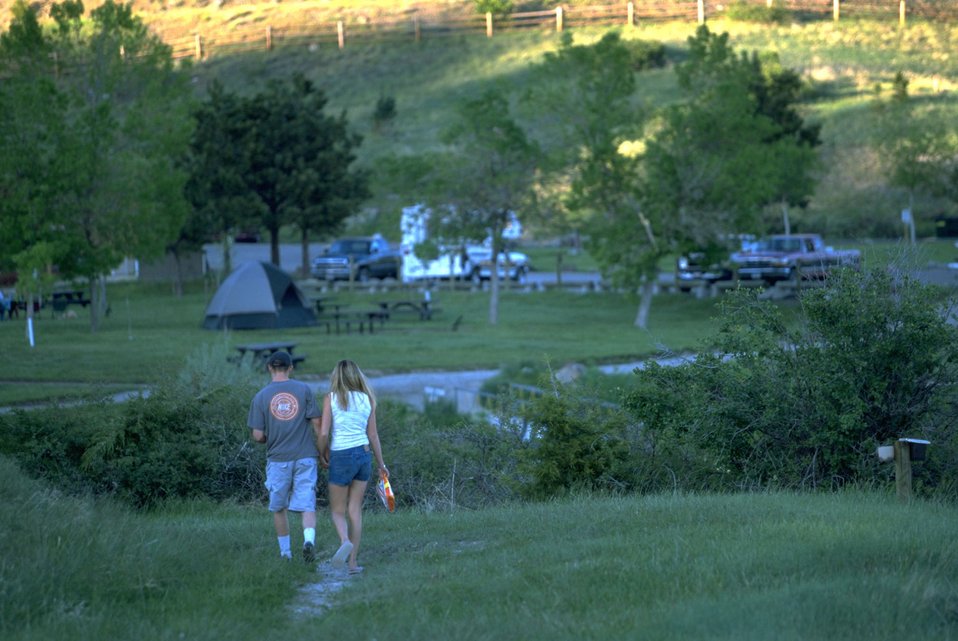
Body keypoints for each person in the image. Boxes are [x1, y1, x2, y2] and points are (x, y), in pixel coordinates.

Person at [248, 351, 322, 563]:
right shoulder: (304, 389)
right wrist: (323, 450)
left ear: (269, 368)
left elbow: (258, 435)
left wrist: (267, 440)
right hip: (306, 456)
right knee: (307, 503)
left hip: (278, 459)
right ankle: (309, 541)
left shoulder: (261, 396)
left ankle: (286, 554)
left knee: (279, 507)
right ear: (291, 368)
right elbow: (317, 424)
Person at [318, 359, 388, 575]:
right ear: (357, 376)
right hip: (363, 454)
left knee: (338, 511)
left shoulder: (331, 399)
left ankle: (344, 540)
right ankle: (353, 563)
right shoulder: (367, 399)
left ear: (336, 377)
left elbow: (323, 433)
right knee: (355, 509)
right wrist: (382, 465)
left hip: (341, 455)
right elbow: (373, 435)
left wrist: (322, 453)